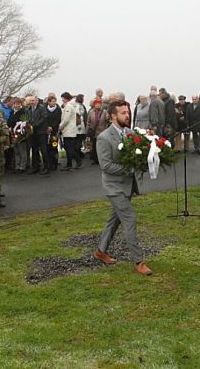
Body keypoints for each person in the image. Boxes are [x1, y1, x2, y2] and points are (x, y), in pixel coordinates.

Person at [93, 100, 152, 276]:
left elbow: (136, 155)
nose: (127, 115)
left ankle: (100, 251)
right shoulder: (104, 138)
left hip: (128, 186)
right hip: (114, 187)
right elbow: (106, 166)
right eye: (123, 113)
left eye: (128, 112)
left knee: (115, 219)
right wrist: (131, 168)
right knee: (129, 219)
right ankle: (139, 261)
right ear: (113, 116)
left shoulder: (130, 133)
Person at [59, 92, 83, 171]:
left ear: (65, 98)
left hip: (69, 130)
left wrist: (60, 127)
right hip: (68, 130)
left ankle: (77, 161)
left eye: (62, 98)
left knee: (69, 148)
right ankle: (69, 164)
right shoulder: (68, 106)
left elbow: (66, 120)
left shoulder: (69, 106)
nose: (62, 99)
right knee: (68, 148)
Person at [27, 95, 50, 175]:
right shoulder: (28, 109)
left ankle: (46, 167)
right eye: (30, 101)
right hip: (33, 133)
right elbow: (28, 119)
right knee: (34, 150)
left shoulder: (42, 108)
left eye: (33, 100)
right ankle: (35, 167)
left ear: (36, 101)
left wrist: (35, 124)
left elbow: (44, 118)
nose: (32, 102)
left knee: (43, 150)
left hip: (41, 132)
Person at [8, 97, 29, 173]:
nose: (16, 105)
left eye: (18, 104)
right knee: (16, 151)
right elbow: (9, 122)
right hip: (13, 134)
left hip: (21, 134)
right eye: (15, 104)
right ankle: (17, 166)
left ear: (20, 104)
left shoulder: (24, 112)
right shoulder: (11, 112)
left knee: (22, 151)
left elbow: (25, 123)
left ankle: (22, 166)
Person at [87, 98, 109, 164]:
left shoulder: (104, 112)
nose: (97, 105)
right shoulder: (91, 112)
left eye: (99, 104)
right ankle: (95, 159)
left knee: (101, 147)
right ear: (94, 105)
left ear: (101, 104)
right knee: (94, 146)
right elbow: (88, 121)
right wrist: (87, 131)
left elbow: (108, 121)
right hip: (93, 132)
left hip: (102, 131)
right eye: (96, 104)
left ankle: (101, 159)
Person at [45, 95, 62, 172]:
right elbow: (45, 118)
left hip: (54, 132)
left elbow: (58, 120)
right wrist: (47, 126)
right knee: (48, 148)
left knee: (54, 147)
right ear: (49, 102)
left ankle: (55, 163)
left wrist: (52, 127)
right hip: (47, 132)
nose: (54, 103)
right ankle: (49, 164)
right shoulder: (45, 109)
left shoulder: (58, 110)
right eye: (52, 101)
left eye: (55, 101)